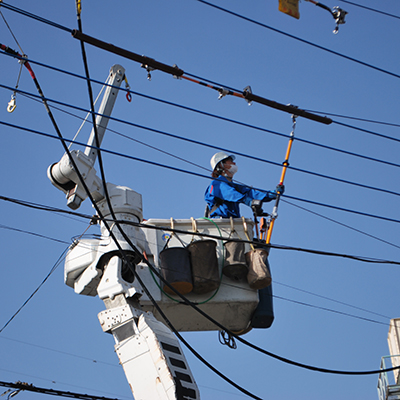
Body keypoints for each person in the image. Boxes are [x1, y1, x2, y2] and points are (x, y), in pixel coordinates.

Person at [204, 151, 279, 218]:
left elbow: (250, 193)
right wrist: (249, 201)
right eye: (230, 161)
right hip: (220, 224)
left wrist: (272, 194)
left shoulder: (233, 186)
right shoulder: (217, 183)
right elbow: (230, 193)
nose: (234, 163)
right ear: (221, 165)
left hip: (233, 224)